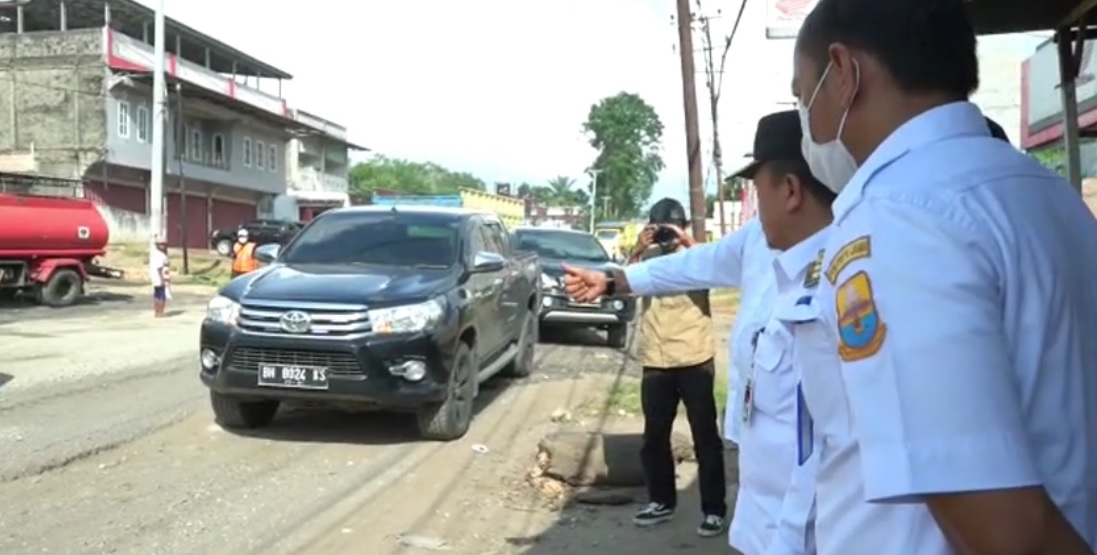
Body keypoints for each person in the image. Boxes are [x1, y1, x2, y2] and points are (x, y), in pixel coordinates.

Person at [792, 0, 1097, 553]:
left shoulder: (898, 218)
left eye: (801, 96)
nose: (805, 125)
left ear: (843, 73)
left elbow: (1002, 525)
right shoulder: (1043, 192)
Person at [617, 198, 728, 537]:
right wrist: (638, 249)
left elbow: (717, 270)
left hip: (695, 357)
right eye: (659, 229)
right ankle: (661, 501)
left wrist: (687, 241)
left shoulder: (696, 257)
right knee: (654, 438)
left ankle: (714, 510)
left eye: (670, 229)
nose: (665, 236)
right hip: (656, 359)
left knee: (705, 437)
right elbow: (621, 284)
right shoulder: (646, 261)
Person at [148, 236, 170, 317]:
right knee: (161, 295)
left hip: (156, 276)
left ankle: (157, 311)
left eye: (164, 244)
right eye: (161, 244)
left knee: (157, 294)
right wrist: (163, 279)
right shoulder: (160, 255)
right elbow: (159, 268)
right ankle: (160, 311)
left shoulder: (156, 254)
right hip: (159, 277)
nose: (163, 246)